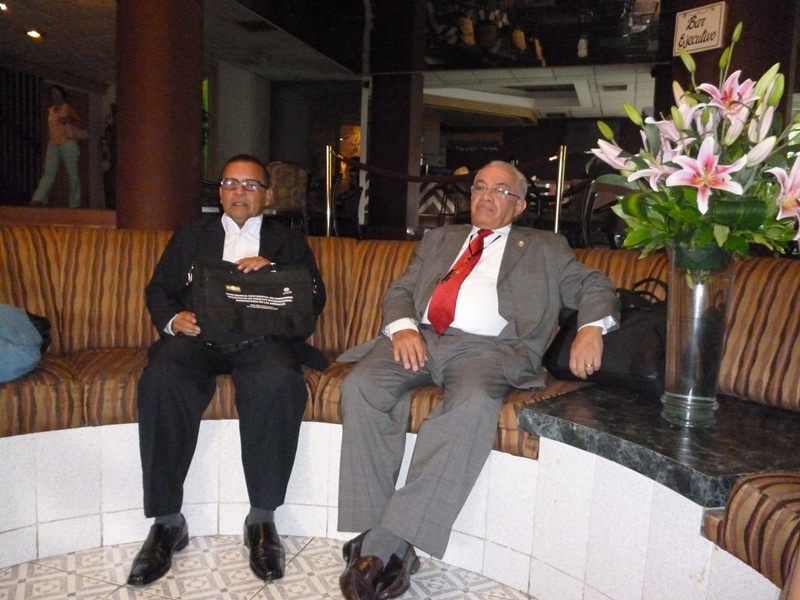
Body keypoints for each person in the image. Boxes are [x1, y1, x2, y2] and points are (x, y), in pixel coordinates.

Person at [336, 160, 619, 600]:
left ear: (519, 206)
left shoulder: (546, 247)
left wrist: (590, 328)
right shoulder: (440, 239)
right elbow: (401, 290)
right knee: (361, 387)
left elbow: (594, 285)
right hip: (420, 338)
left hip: (488, 351)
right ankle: (386, 542)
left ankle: (379, 546)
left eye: (499, 190)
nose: (485, 196)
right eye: (479, 187)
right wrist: (404, 327)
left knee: (471, 405)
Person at [127, 154, 327, 586]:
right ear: (220, 193)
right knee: (162, 378)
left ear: (267, 196)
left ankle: (262, 519)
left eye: (251, 185)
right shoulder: (190, 235)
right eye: (231, 183)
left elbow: (314, 297)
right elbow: (159, 289)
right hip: (197, 339)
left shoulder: (287, 240)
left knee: (279, 381)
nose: (240, 191)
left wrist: (276, 273)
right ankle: (167, 522)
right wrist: (172, 319)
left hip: (261, 342)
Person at [30, 85, 84, 208]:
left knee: (72, 174)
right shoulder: (50, 110)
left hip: (68, 143)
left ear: (62, 95)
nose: (55, 96)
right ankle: (38, 198)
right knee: (49, 172)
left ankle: (75, 203)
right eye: (53, 93)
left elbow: (81, 122)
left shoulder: (67, 108)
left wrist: (69, 119)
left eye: (57, 93)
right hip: (53, 144)